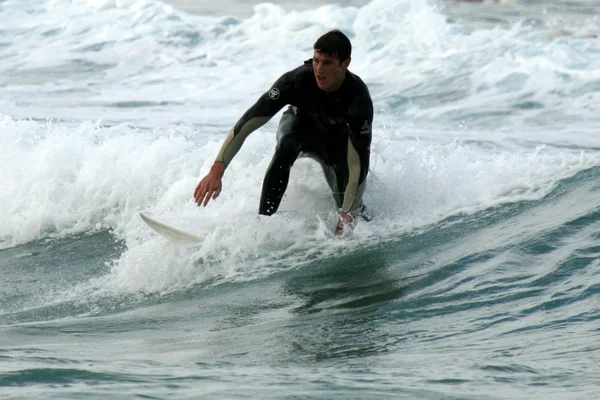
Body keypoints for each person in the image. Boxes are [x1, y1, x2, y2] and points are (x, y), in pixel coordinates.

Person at [193, 29, 373, 236]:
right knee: (287, 144)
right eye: (315, 60)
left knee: (351, 212)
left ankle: (354, 225)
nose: (318, 69)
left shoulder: (358, 99)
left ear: (345, 63)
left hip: (334, 144)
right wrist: (217, 171)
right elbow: (248, 122)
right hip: (299, 129)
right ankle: (263, 222)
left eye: (327, 62)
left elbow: (358, 161)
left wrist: (347, 214)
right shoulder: (295, 81)